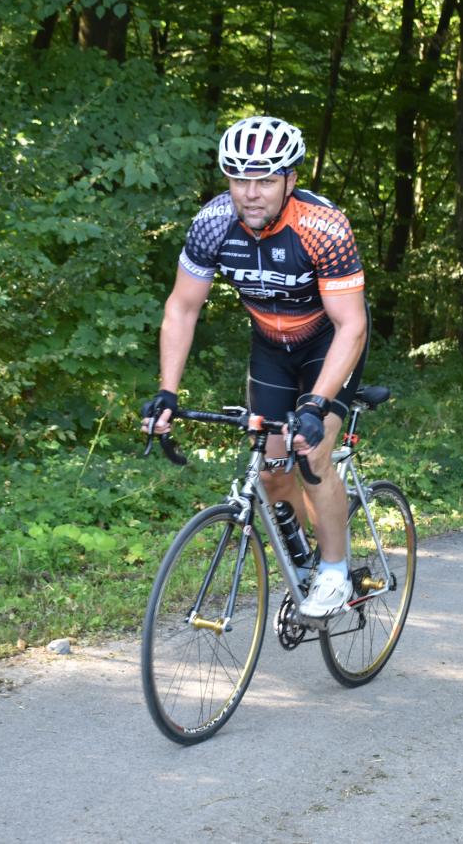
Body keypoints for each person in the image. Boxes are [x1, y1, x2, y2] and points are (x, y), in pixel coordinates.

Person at [141, 116, 369, 618]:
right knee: (270, 473)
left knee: (311, 453)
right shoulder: (213, 223)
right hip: (269, 346)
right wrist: (168, 392)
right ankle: (304, 566)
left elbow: (350, 325)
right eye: (239, 178)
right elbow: (182, 308)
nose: (250, 192)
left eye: (264, 179)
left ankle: (335, 572)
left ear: (290, 179)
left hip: (328, 342)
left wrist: (315, 405)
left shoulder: (323, 227)